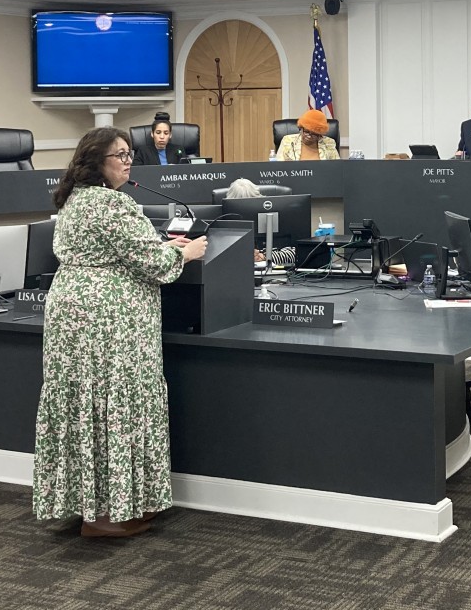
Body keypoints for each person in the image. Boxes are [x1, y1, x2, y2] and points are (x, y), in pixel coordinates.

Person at [33, 127, 208, 538]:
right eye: (120, 155)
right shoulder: (113, 205)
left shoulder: (75, 199)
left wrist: (163, 244)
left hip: (71, 313)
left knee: (84, 402)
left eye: (130, 154)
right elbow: (155, 266)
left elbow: (122, 248)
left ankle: (90, 504)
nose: (128, 161)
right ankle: (108, 516)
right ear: (95, 163)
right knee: (116, 402)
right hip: (109, 319)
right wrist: (185, 251)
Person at [225, 178, 297, 266]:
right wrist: (243, 256)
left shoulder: (274, 215)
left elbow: (297, 253)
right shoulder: (223, 225)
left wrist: (264, 256)